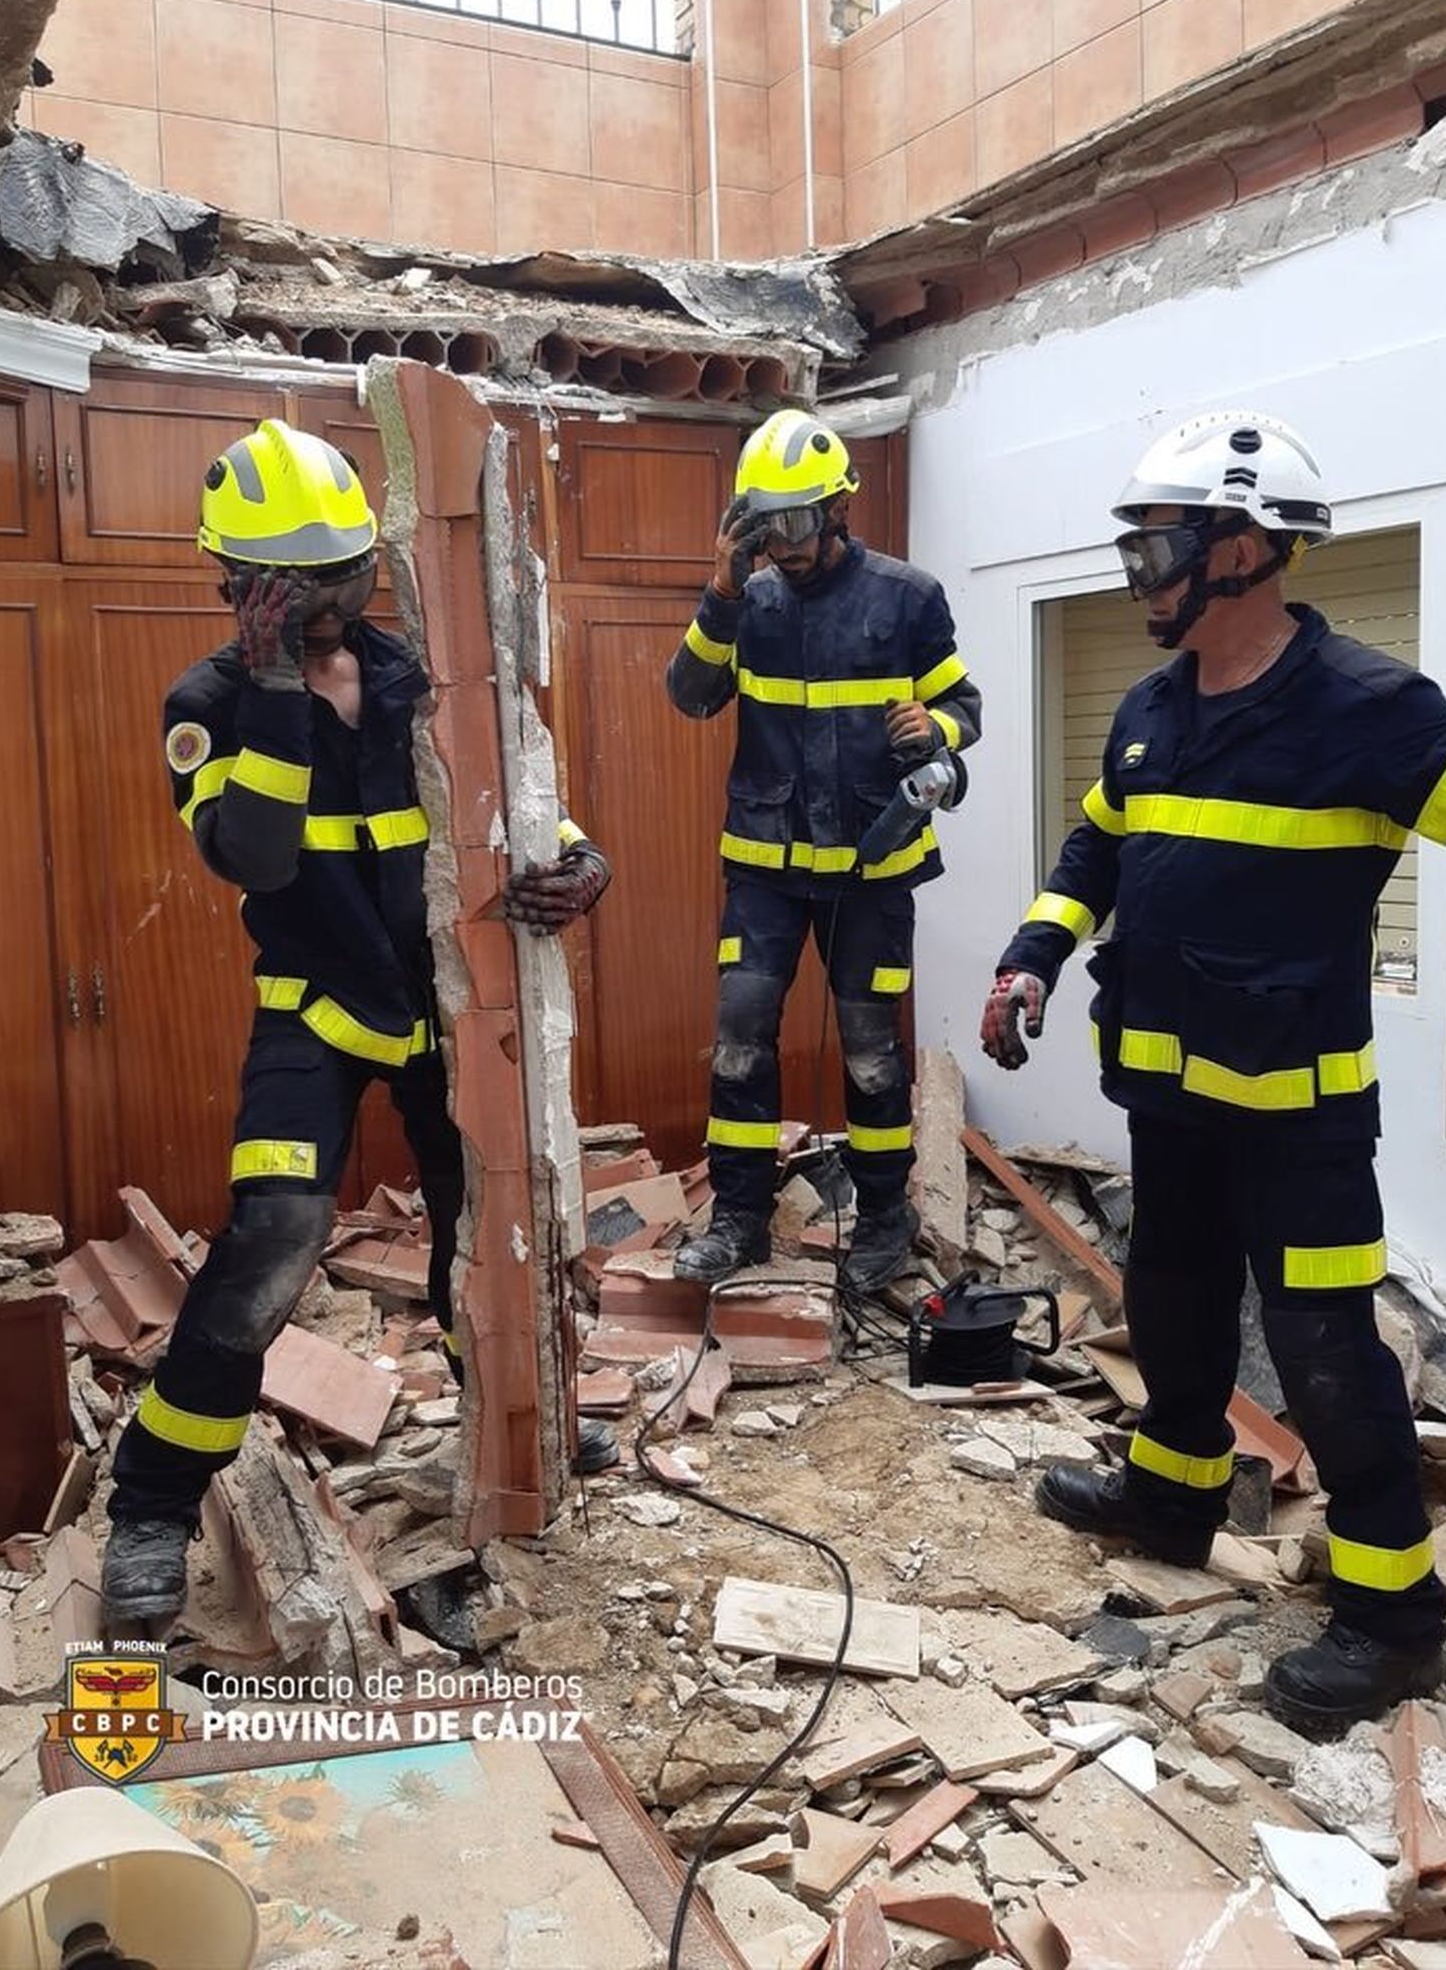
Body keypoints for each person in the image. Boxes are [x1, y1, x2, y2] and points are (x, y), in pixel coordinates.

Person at [982, 410, 1446, 1736]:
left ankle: (1396, 1620)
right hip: (1169, 1097)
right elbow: (1096, 849)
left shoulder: (1366, 710)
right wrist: (1032, 954)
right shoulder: (1153, 708)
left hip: (1301, 1115)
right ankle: (1173, 1491)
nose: (1138, 574)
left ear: (1245, 550)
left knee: (1325, 1352)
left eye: (1155, 546)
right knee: (1169, 1295)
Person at [102, 421, 613, 1626]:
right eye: (298, 587)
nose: (329, 606)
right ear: (238, 585)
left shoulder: (418, 677)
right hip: (315, 1017)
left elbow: (512, 794)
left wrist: (582, 863)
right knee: (271, 1248)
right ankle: (154, 1508)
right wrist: (277, 687)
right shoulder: (210, 704)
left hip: (444, 1014)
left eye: (342, 578)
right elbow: (259, 858)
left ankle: (508, 1443)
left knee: (480, 1240)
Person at [666, 408, 981, 1291]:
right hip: (766, 868)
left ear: (841, 504)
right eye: (768, 525)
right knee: (737, 1043)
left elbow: (969, 714)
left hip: (872, 870)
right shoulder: (750, 601)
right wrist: (721, 594)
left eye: (800, 521)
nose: (786, 544)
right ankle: (738, 1220)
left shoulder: (908, 597)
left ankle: (884, 1218)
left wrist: (937, 725)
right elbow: (689, 696)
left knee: (872, 1049)